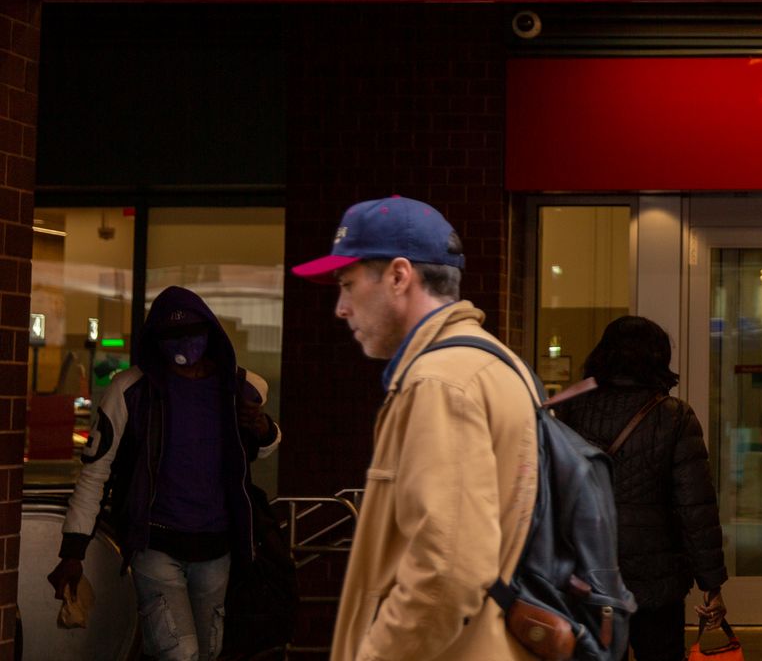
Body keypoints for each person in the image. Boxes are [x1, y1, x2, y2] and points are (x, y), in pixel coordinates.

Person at [296, 195, 540, 661]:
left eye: (347, 285)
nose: (341, 308)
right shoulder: (492, 363)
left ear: (399, 276)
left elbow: (447, 570)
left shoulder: (439, 383)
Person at [49, 285, 280, 661]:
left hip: (216, 548)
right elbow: (96, 470)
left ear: (210, 334)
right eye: (168, 336)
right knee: (179, 652)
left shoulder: (239, 388)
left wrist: (260, 426)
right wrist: (72, 551)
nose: (181, 346)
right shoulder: (130, 391)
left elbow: (264, 447)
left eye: (189, 333)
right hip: (154, 544)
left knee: (207, 652)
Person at [552, 317, 728, 661]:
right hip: (656, 578)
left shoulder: (570, 408)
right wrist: (712, 585)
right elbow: (695, 508)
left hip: (587, 569)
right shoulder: (674, 416)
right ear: (658, 357)